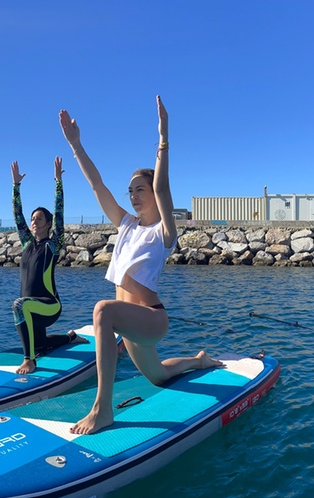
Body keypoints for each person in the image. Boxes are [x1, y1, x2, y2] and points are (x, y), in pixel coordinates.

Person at [60, 95, 221, 435]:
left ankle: (102, 410)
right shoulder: (126, 225)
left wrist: (163, 138)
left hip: (150, 318)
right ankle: (199, 360)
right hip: (129, 324)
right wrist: (76, 145)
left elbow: (162, 187)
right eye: (130, 190)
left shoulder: (164, 232)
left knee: (102, 310)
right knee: (159, 375)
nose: (133, 195)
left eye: (139, 189)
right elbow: (96, 185)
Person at [10, 157, 86, 374]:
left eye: (39, 219)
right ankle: (70, 337)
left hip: (49, 306)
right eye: (33, 219)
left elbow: (59, 214)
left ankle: (29, 360)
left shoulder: (52, 245)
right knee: (41, 345)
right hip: (32, 309)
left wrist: (58, 182)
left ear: (48, 224)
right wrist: (16, 186)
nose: (34, 222)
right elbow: (17, 215)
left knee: (18, 305)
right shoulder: (26, 243)